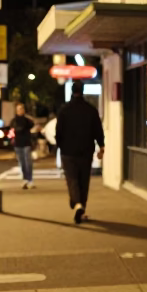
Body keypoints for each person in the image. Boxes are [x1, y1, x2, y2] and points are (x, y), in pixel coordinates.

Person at [56, 82, 105, 224]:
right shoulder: (90, 110)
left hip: (68, 151)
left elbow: (59, 131)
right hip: (86, 150)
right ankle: (81, 206)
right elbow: (98, 129)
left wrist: (59, 146)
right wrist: (101, 146)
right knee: (84, 180)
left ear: (72, 91)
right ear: (82, 91)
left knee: (72, 179)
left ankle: (77, 204)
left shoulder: (64, 110)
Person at [10, 103, 38, 189]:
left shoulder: (27, 120)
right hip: (18, 144)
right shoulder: (14, 121)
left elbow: (32, 124)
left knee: (28, 162)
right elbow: (12, 130)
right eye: (18, 109)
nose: (20, 110)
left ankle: (30, 179)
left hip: (26, 143)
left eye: (21, 108)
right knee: (22, 162)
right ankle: (25, 179)